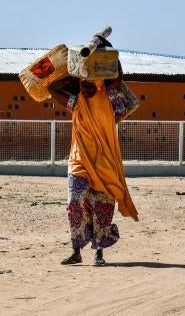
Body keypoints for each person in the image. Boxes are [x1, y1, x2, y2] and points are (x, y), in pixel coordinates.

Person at [48, 38, 139, 266]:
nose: (85, 86)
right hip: (79, 161)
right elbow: (51, 87)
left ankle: (99, 251)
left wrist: (103, 47)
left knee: (102, 206)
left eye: (90, 82)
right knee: (74, 203)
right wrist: (75, 69)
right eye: (82, 83)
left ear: (100, 82)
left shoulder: (112, 100)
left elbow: (117, 75)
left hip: (104, 162)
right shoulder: (76, 102)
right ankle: (76, 250)